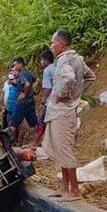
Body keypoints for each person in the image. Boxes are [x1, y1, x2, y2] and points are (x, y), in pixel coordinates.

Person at [43, 30, 96, 202]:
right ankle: (64, 187)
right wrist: (76, 95)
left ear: (61, 44)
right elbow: (89, 77)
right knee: (62, 148)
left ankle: (74, 191)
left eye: (53, 43)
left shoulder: (64, 60)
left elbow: (70, 78)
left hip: (62, 111)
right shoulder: (77, 59)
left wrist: (64, 95)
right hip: (67, 110)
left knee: (64, 149)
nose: (51, 46)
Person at [9, 57, 39, 146]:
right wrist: (31, 90)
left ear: (19, 64)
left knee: (13, 124)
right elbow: (36, 80)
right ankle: (38, 141)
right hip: (30, 102)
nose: (14, 67)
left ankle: (7, 144)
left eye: (15, 65)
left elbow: (27, 84)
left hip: (23, 103)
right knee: (34, 124)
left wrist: (24, 94)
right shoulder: (28, 73)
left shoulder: (22, 73)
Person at [34, 50, 56, 146]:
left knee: (42, 122)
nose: (41, 62)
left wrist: (43, 100)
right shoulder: (57, 67)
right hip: (58, 100)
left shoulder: (47, 71)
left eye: (42, 60)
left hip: (50, 101)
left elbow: (47, 88)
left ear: (46, 60)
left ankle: (36, 143)